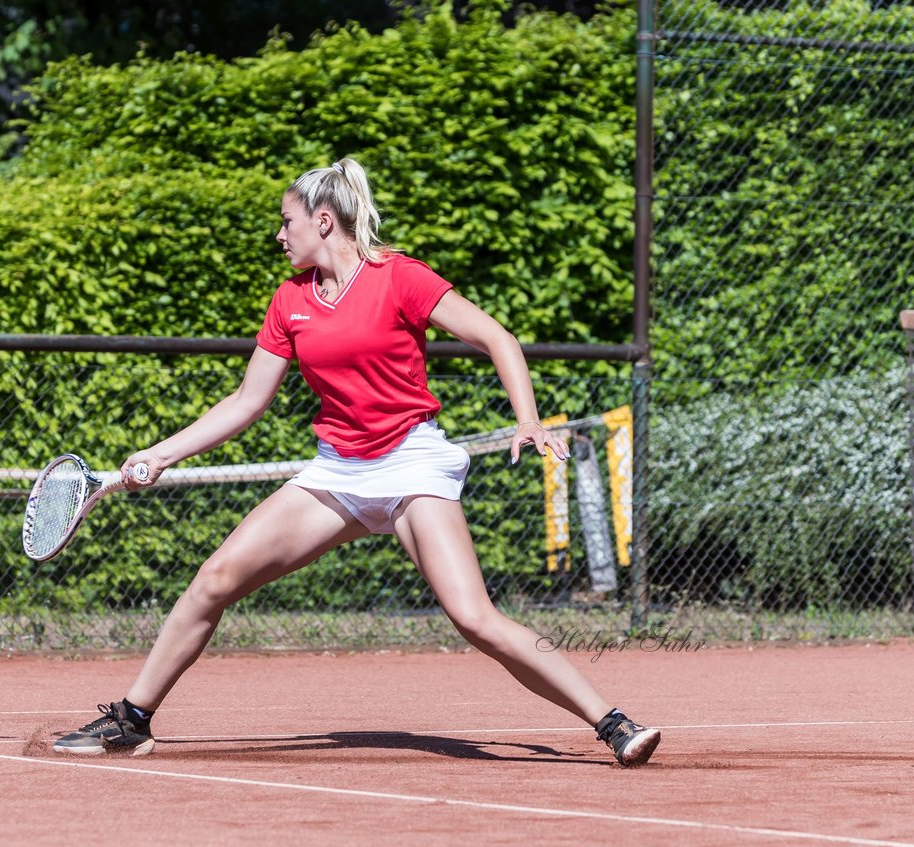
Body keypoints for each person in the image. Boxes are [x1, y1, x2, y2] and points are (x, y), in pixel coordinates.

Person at [54, 158, 661, 767]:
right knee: (214, 581)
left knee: (474, 617)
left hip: (412, 463)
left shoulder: (400, 277)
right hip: (337, 473)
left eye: (286, 221)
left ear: (323, 221)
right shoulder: (290, 300)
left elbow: (498, 338)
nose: (279, 234)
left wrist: (528, 420)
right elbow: (245, 402)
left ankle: (611, 723)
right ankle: (132, 720)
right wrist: (161, 453)